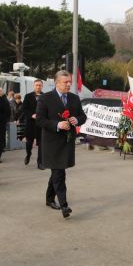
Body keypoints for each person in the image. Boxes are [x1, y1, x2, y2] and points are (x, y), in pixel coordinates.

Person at [36, 70, 87, 219]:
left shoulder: (74, 98)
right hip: (52, 143)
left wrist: (77, 120)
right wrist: (57, 125)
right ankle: (64, 205)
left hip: (67, 142)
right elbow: (40, 120)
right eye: (66, 82)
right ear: (57, 83)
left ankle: (49, 198)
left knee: (57, 171)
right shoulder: (45, 98)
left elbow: (82, 116)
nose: (69, 84)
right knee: (59, 173)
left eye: (70, 82)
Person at [22, 79, 44, 168]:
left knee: (41, 144)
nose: (38, 87)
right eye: (36, 85)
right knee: (29, 143)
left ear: (42, 86)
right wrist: (31, 115)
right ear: (34, 86)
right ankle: (28, 154)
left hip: (41, 124)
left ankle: (40, 163)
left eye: (39, 85)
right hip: (31, 123)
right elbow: (24, 109)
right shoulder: (28, 96)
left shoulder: (45, 96)